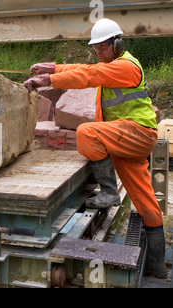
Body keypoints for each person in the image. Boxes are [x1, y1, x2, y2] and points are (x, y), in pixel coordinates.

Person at [24, 18, 167, 279]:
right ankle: (157, 267)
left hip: (136, 133)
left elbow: (89, 75)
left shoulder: (126, 67)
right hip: (126, 138)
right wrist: (54, 67)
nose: (98, 52)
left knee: (87, 132)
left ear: (118, 43)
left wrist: (50, 80)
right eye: (96, 48)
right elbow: (85, 68)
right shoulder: (112, 64)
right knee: (145, 201)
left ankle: (110, 192)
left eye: (103, 47)